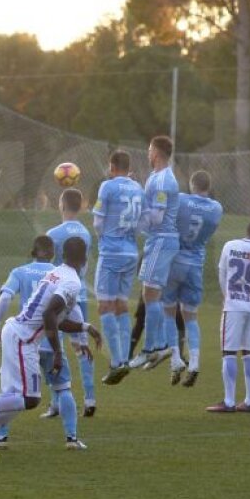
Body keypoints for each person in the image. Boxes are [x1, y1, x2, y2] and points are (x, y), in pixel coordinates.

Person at [0, 237, 102, 458]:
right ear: (84, 258)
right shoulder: (72, 282)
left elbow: (55, 317)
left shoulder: (57, 272)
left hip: (17, 333)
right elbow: (49, 314)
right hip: (23, 339)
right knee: (30, 399)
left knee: (12, 400)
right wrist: (59, 353)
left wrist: (86, 327)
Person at [0, 236, 92, 449]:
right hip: (51, 340)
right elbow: (74, 309)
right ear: (53, 253)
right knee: (63, 387)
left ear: (33, 251)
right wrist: (81, 339)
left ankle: (0, 437)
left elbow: (5, 298)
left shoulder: (20, 271)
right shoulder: (61, 274)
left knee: (10, 390)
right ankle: (71, 438)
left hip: (24, 339)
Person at [164, 171, 223, 387]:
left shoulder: (181, 200)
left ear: (191, 184)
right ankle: (195, 363)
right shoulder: (217, 208)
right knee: (191, 317)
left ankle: (175, 360)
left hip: (174, 261)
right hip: (195, 265)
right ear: (209, 186)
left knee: (168, 312)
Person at [210, 220, 250, 413]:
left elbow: (222, 274)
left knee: (229, 352)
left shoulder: (230, 245)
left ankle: (229, 401)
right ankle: (249, 400)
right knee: (248, 353)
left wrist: (226, 295)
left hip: (234, 305)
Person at [129, 135, 181, 371]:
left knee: (150, 294)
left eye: (149, 149)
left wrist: (138, 217)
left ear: (156, 152)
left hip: (162, 240)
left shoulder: (163, 181)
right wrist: (138, 190)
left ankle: (152, 348)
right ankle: (158, 346)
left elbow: (158, 216)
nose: (147, 153)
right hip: (157, 241)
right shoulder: (155, 177)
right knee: (150, 294)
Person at [92, 151, 144, 385]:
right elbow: (142, 222)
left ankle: (116, 362)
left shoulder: (107, 187)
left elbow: (98, 222)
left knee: (104, 306)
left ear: (111, 166)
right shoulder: (138, 188)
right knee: (121, 305)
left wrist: (104, 239)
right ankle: (124, 358)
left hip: (111, 251)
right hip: (131, 252)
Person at [43, 188, 96, 416]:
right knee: (81, 347)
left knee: (53, 347)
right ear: (81, 206)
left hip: (59, 297)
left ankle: (56, 401)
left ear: (62, 205)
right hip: (80, 294)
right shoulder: (86, 233)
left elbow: (48, 267)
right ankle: (90, 399)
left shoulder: (53, 233)